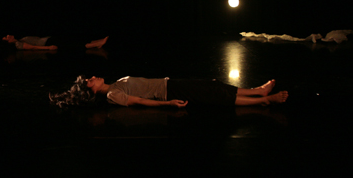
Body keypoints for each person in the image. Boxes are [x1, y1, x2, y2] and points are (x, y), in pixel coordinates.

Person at [49, 75, 288, 108]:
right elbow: (139, 101)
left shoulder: (113, 85)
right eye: (89, 81)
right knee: (216, 96)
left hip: (170, 81)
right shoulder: (112, 95)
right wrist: (169, 103)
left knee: (215, 86)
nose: (92, 77)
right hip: (169, 91)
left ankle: (257, 91)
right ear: (90, 90)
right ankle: (263, 99)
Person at [3, 35, 108, 50]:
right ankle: (96, 44)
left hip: (47, 40)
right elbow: (32, 47)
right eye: (6, 38)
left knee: (72, 38)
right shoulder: (18, 44)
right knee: (71, 43)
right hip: (47, 43)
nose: (8, 36)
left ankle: (96, 41)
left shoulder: (19, 39)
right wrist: (48, 48)